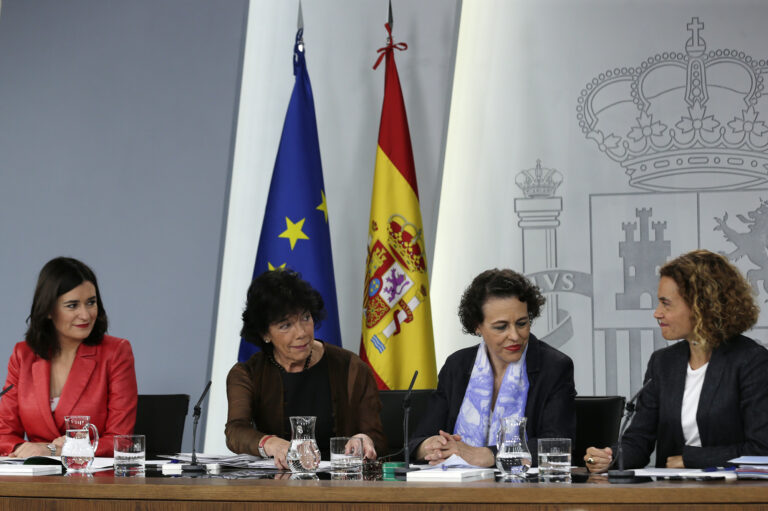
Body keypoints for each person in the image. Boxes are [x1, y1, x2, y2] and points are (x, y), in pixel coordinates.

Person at [585, 249, 768, 472]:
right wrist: (609, 457)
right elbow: (639, 441)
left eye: (666, 303)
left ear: (701, 305)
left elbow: (761, 450)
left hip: (735, 497)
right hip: (672, 496)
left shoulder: (751, 362)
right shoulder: (663, 363)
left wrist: (692, 459)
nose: (657, 313)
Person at [410, 268, 576, 467]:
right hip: (457, 488)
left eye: (522, 323)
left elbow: (557, 444)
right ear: (476, 326)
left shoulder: (554, 367)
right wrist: (432, 446)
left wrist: (488, 455)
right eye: (501, 327)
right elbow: (417, 441)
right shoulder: (457, 365)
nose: (515, 335)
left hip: (526, 490)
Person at [225, 270, 386, 469]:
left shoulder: (351, 368)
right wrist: (272, 444)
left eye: (306, 318)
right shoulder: (247, 374)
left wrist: (363, 439)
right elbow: (236, 431)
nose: (301, 333)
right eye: (285, 325)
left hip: (341, 482)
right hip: (276, 483)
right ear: (265, 333)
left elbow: (376, 435)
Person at [0, 257, 138, 457]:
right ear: (48, 309)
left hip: (92, 479)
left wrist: (52, 449)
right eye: (72, 305)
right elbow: (4, 432)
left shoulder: (116, 352)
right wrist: (22, 448)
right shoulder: (23, 355)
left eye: (91, 302)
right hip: (34, 479)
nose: (85, 315)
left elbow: (121, 439)